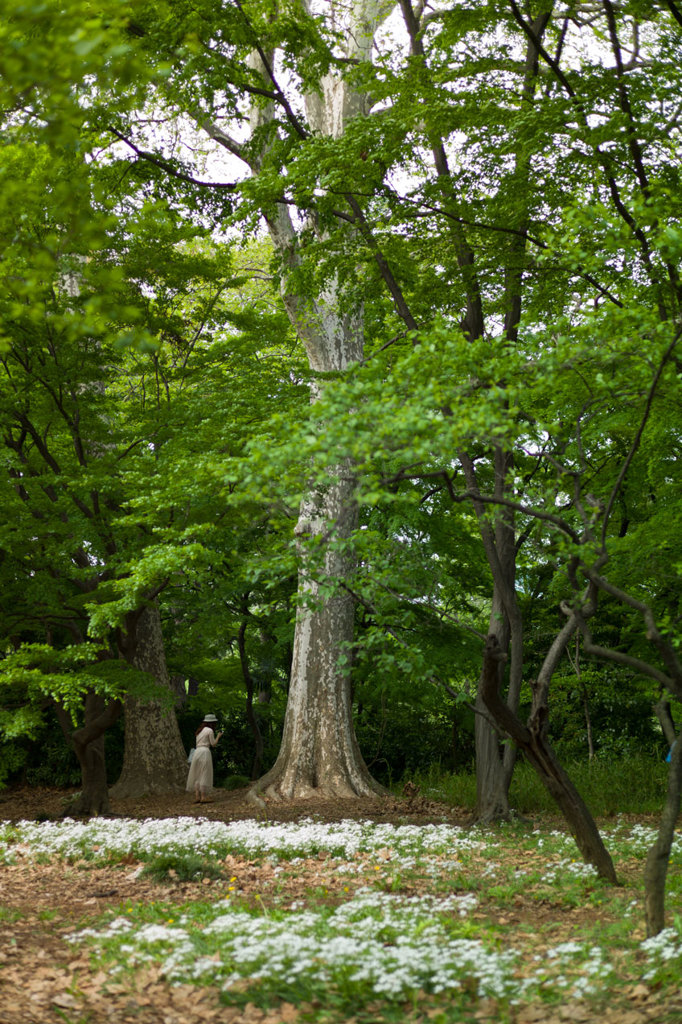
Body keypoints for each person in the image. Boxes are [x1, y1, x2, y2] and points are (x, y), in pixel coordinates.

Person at [186, 714, 223, 804]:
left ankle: (197, 796)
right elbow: (213, 743)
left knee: (197, 774)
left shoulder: (199, 731)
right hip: (205, 752)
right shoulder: (209, 730)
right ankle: (203, 797)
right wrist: (218, 736)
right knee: (204, 773)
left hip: (197, 752)